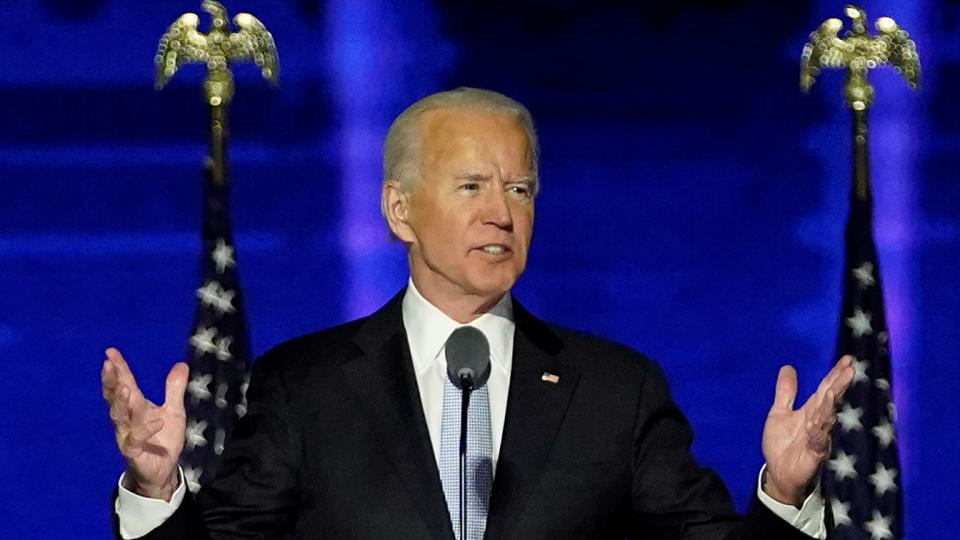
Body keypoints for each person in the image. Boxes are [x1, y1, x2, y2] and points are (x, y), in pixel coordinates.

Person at [102, 87, 854, 539]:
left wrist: (785, 495)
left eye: (520, 189)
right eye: (471, 187)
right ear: (401, 210)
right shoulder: (306, 387)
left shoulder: (616, 391)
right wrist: (157, 491)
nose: (501, 213)